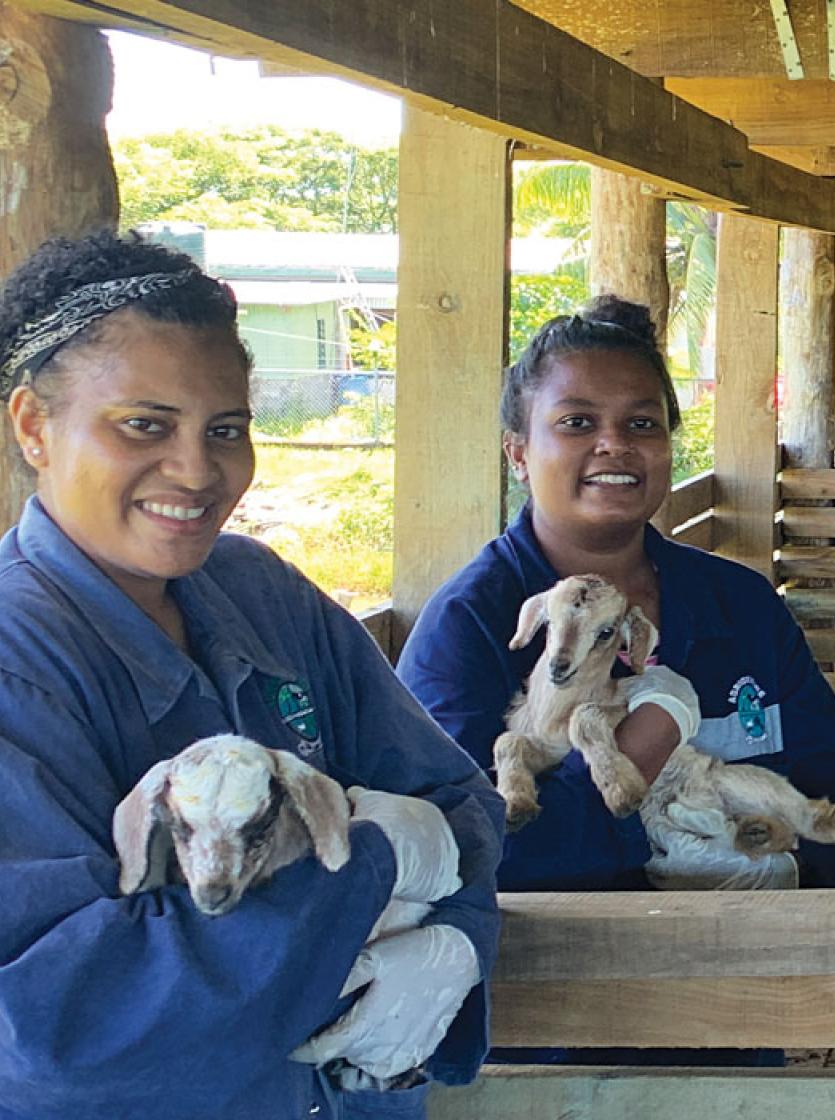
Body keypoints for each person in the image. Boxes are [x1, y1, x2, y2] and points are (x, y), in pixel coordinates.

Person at [0, 231, 503, 1119]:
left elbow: (461, 806)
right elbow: (63, 1022)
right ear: (35, 427)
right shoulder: (19, 662)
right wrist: (378, 861)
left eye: (226, 429)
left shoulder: (261, 595)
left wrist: (458, 941)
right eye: (144, 426)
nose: (198, 470)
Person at [400, 295, 835, 896]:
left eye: (641, 423)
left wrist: (779, 896)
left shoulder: (739, 604)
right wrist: (638, 752)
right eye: (577, 422)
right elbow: (452, 850)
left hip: (759, 955)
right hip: (555, 971)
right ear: (518, 453)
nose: (614, 444)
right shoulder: (470, 624)